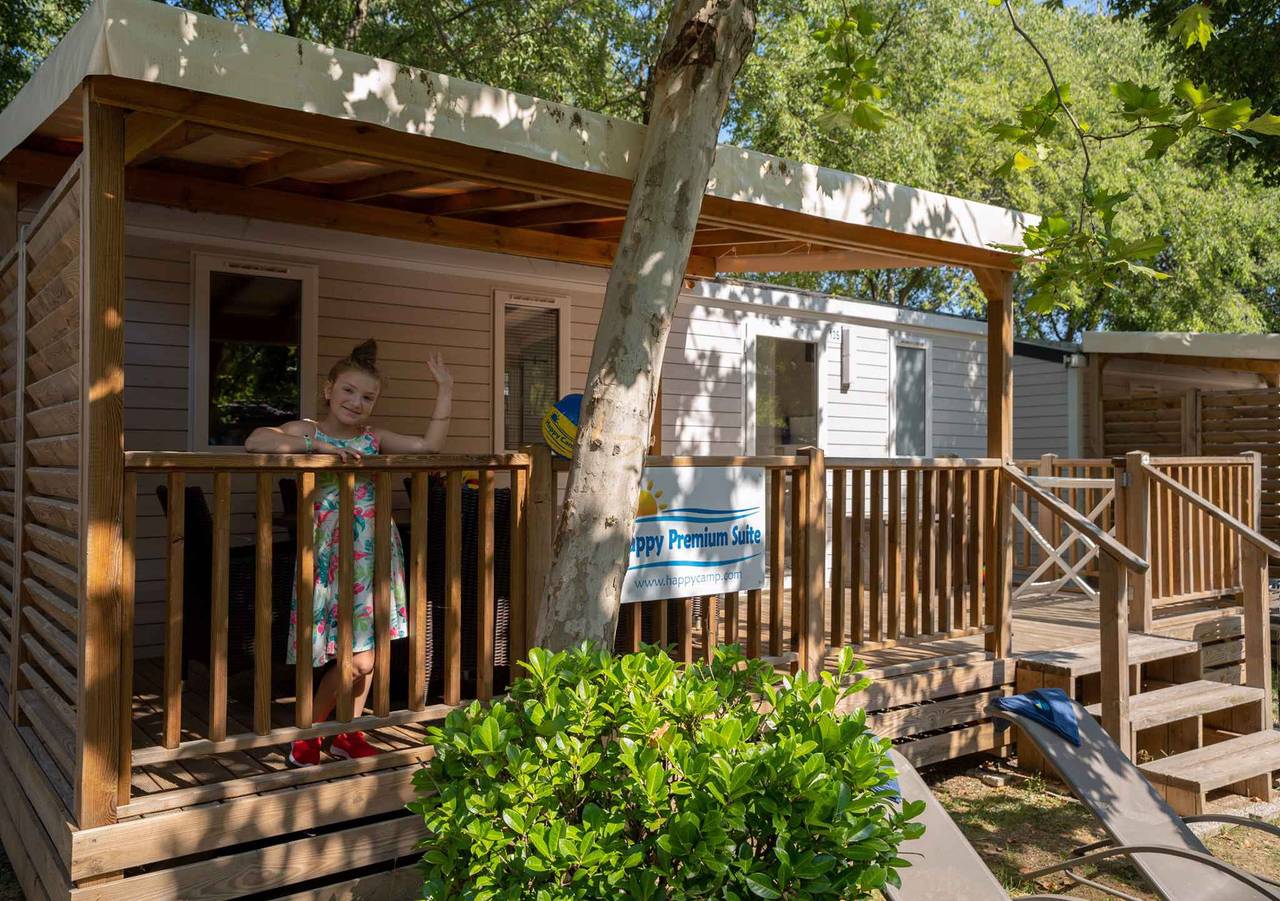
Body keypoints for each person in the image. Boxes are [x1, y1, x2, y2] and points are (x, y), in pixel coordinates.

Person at [245, 339, 453, 766]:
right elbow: (255, 440)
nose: (356, 403)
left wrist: (445, 389)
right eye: (348, 391)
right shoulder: (310, 432)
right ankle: (308, 733)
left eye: (367, 397)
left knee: (371, 655)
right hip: (332, 557)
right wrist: (319, 450)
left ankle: (347, 733)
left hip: (377, 555)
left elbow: (426, 445)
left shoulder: (373, 438)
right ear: (328, 390)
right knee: (354, 659)